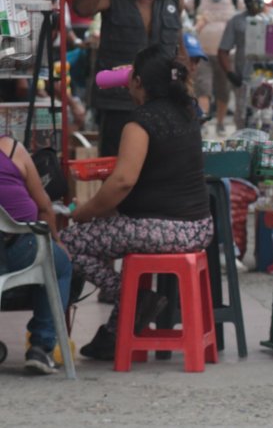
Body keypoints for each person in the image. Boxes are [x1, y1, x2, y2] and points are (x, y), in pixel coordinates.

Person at [61, 48, 213, 361]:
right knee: (105, 234)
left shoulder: (140, 123)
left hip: (163, 228)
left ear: (139, 83)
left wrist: (84, 213)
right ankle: (115, 334)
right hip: (198, 226)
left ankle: (135, 297)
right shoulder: (187, 112)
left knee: (66, 243)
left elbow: (122, 181)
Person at [73, 0, 187, 157]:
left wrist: (185, 91)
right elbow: (82, 8)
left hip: (162, 98)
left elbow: (178, 44)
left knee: (159, 165)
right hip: (119, 101)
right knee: (116, 162)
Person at [0, 136, 72, 374]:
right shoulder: (11, 149)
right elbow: (44, 207)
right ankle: (41, 346)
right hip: (19, 249)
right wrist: (57, 241)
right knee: (59, 263)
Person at [190, 0, 241, 133]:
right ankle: (203, 122)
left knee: (223, 91)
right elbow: (182, 7)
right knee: (203, 88)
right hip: (202, 54)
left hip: (225, 56)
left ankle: (220, 123)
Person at [217, 0, 267, 130]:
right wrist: (231, 74)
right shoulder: (237, 21)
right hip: (245, 81)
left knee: (267, 121)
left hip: (269, 81)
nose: (254, 2)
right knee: (244, 122)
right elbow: (223, 51)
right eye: (249, 0)